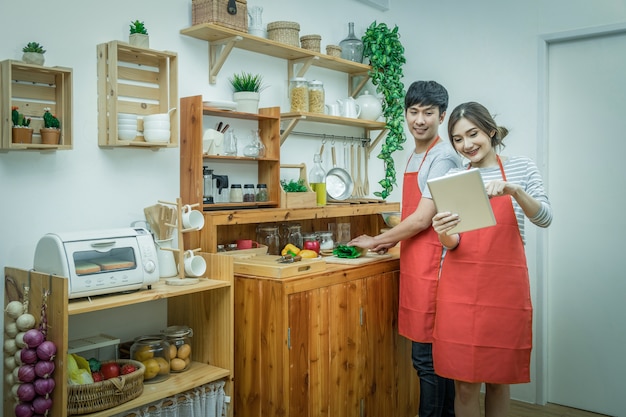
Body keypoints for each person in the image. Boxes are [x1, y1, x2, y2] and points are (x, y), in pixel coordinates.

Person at [430, 101, 553, 417]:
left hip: (504, 290)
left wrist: (513, 191)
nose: (467, 144)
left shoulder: (522, 168)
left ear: (491, 131)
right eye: (458, 139)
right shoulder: (455, 178)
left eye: (473, 134)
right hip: (460, 289)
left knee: (499, 379)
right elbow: (452, 244)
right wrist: (443, 231)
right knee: (466, 384)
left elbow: (545, 218)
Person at [349, 80, 460, 417]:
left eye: (428, 112)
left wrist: (379, 239)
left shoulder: (442, 156)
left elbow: (423, 219)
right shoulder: (415, 155)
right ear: (406, 114)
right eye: (413, 112)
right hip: (415, 264)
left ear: (442, 117)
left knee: (428, 361)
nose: (420, 120)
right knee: (431, 361)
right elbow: (410, 214)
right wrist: (393, 240)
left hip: (434, 269)